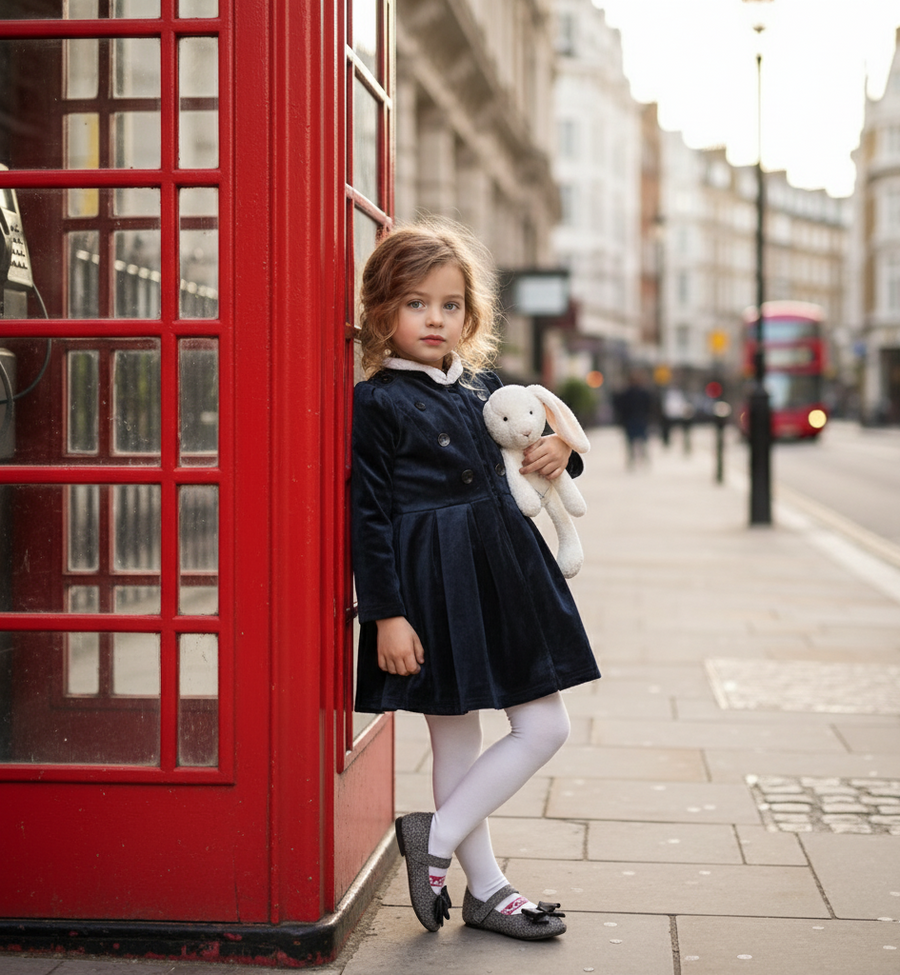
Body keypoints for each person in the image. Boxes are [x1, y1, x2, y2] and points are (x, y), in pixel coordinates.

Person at [351, 219, 600, 941]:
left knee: (543, 724)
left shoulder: (489, 386)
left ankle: (435, 839)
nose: (436, 319)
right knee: (457, 742)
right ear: (382, 315)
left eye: (450, 304)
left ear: (471, 314)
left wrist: (560, 452)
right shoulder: (376, 403)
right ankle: (486, 889)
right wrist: (386, 615)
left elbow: (543, 442)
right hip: (433, 583)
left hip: (506, 576)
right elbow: (366, 516)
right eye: (416, 304)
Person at [612, 370, 652, 467]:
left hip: (630, 420)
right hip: (641, 420)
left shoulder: (625, 393)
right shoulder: (644, 393)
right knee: (642, 441)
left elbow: (619, 406)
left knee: (631, 442)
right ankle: (644, 459)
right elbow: (650, 406)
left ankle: (632, 459)